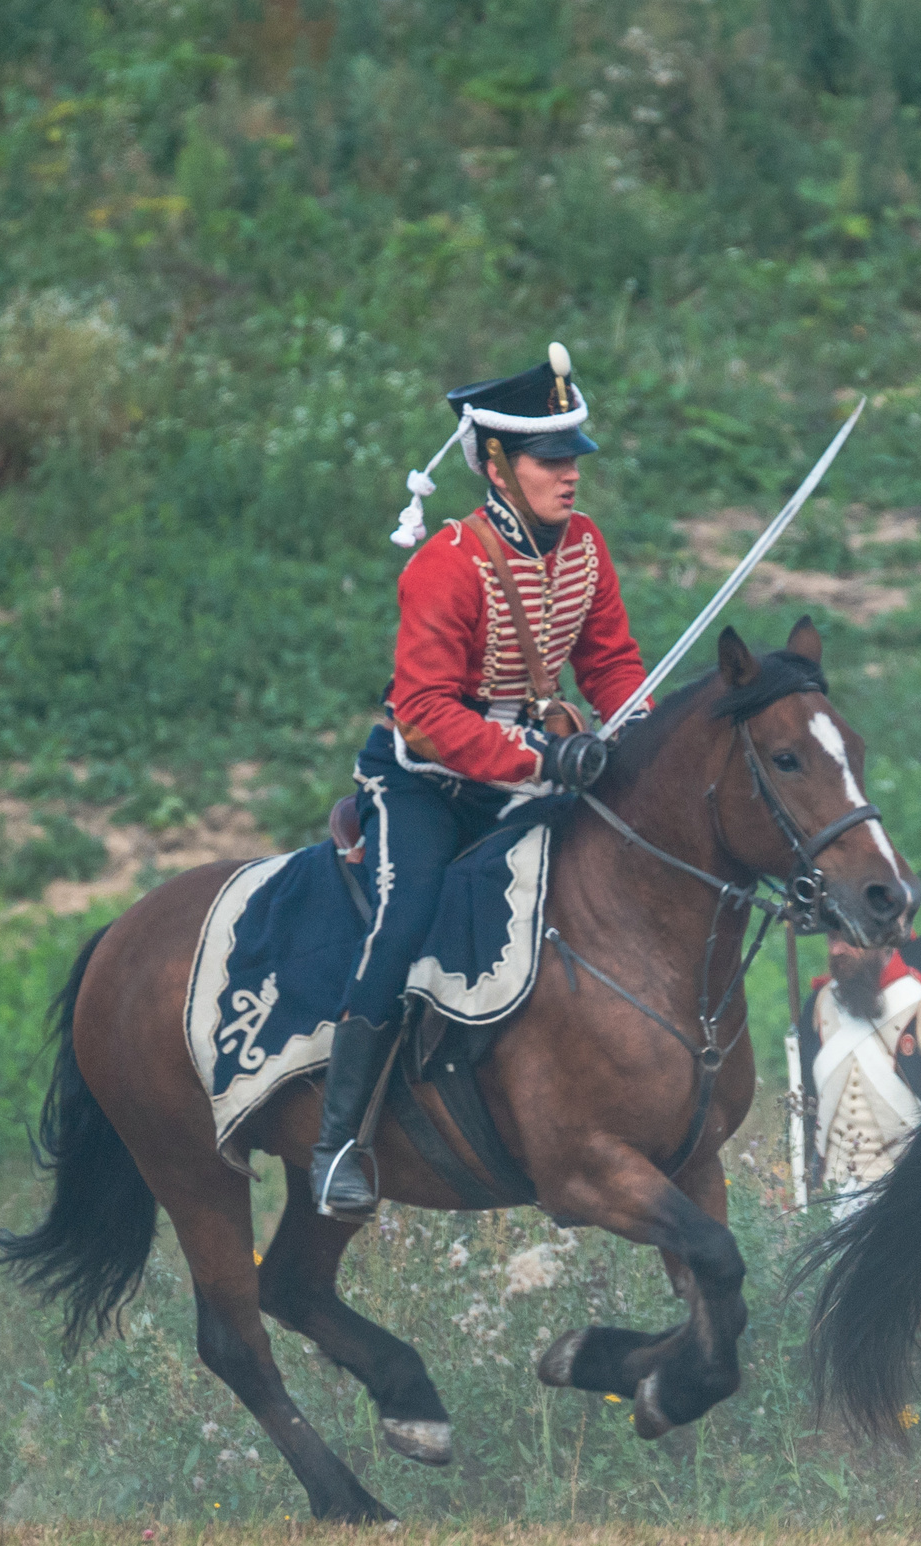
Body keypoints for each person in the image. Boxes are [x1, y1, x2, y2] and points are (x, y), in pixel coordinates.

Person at [311, 345, 650, 1218]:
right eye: (550, 459)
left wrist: (635, 729)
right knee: (406, 912)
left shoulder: (584, 551)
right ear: (497, 463)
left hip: (525, 776)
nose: (569, 475)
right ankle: (337, 1141)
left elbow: (609, 662)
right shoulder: (447, 563)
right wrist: (543, 758)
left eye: (575, 457)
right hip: (424, 780)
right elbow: (424, 712)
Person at [792, 931, 921, 1195]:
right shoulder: (817, 1006)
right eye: (832, 937)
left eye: (850, 938)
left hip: (903, 1204)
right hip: (824, 1204)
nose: (836, 949)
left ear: (886, 940)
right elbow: (803, 1107)